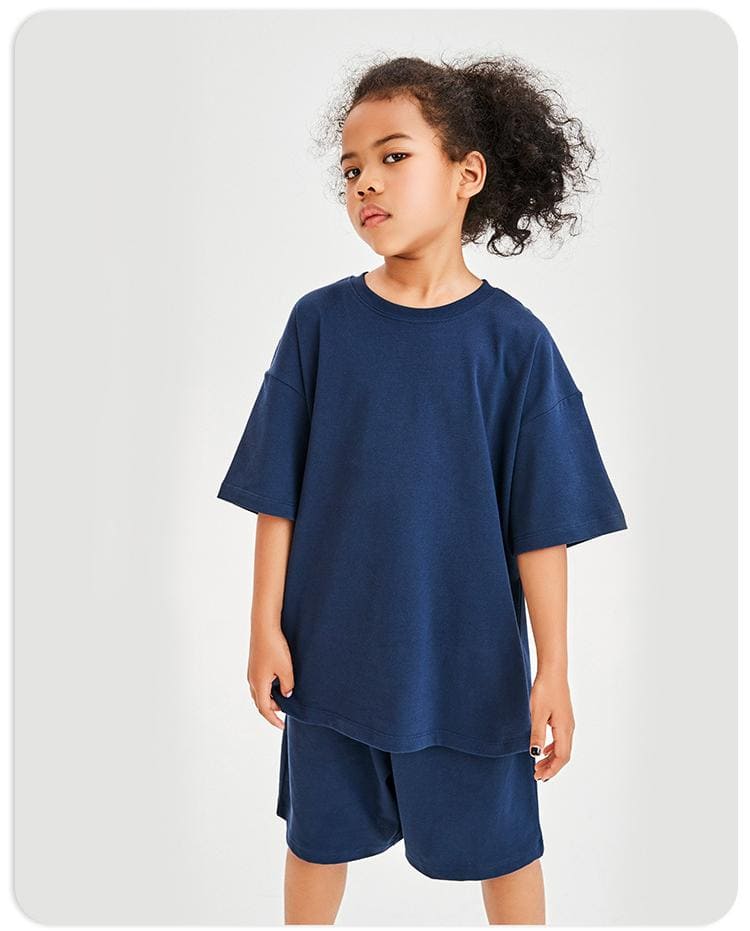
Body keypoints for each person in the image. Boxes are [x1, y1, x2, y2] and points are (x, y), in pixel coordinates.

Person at [217, 54, 627, 925]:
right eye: (351, 169)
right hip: (329, 656)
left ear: (466, 174)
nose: (365, 182)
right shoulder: (319, 324)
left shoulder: (515, 344)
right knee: (316, 844)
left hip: (469, 668)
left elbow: (542, 523)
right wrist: (263, 626)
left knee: (508, 853)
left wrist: (553, 668)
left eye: (393, 156)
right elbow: (276, 492)